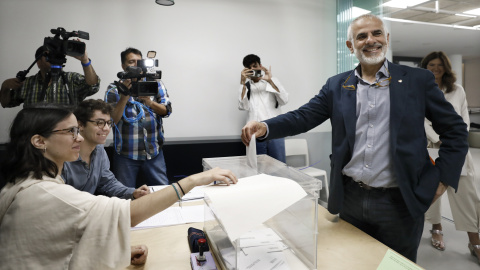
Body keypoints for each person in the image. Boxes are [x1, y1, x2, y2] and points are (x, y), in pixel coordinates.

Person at [241, 14, 469, 262]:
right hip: (350, 197)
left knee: (396, 265)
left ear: (387, 38)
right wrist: (264, 126)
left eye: (377, 33)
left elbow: (456, 131)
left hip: (400, 202)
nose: (371, 40)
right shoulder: (337, 85)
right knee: (353, 262)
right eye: (362, 36)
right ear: (351, 46)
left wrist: (443, 179)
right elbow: (303, 116)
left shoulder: (417, 80)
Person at [0, 105, 236, 269]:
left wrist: (116, 250)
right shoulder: (45, 193)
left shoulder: (30, 181)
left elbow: (57, 245)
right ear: (39, 141)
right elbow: (129, 215)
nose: (79, 137)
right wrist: (193, 180)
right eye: (70, 131)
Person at [421, 51, 480, 262]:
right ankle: (436, 228)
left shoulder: (457, 90)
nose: (436, 69)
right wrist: (437, 139)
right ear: (425, 68)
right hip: (431, 147)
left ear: (446, 68)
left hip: (456, 148)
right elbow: (421, 120)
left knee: (466, 194)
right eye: (431, 65)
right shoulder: (420, 90)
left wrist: (453, 139)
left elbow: (463, 118)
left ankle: (475, 240)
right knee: (433, 192)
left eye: (439, 65)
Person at [105, 47, 172, 187]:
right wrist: (124, 97)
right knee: (124, 196)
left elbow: (167, 111)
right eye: (131, 62)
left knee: (163, 191)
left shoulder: (156, 84)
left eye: (138, 62)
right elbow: (110, 121)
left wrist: (150, 102)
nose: (136, 65)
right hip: (126, 155)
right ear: (123, 66)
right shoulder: (114, 89)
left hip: (154, 153)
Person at [63, 99, 150, 199]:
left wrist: (133, 193)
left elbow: (108, 183)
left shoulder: (99, 150)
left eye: (108, 123)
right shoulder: (63, 156)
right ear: (80, 125)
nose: (106, 128)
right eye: (99, 123)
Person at [0, 44, 100, 108]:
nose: (54, 58)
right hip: (36, 134)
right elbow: (6, 103)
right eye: (49, 56)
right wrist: (4, 87)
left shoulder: (71, 79)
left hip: (66, 136)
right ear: (38, 62)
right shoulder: (27, 83)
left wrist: (85, 60)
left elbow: (93, 86)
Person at [238, 54, 288, 162]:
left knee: (279, 166)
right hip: (255, 133)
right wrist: (242, 83)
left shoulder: (272, 81)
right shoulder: (246, 86)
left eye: (255, 66)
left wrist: (270, 81)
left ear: (260, 66)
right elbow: (242, 106)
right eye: (249, 68)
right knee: (259, 167)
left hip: (275, 130)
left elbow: (284, 100)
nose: (253, 70)